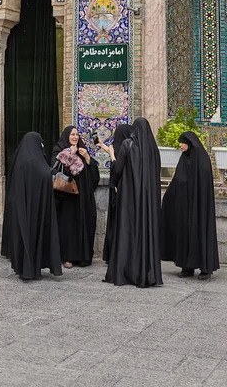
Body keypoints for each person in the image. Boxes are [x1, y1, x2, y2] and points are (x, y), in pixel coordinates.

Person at [101, 117, 163, 287]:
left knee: (127, 232)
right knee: (145, 233)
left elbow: (118, 170)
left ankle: (126, 271)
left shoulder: (128, 145)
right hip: (148, 202)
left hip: (129, 198)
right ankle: (147, 274)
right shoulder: (153, 149)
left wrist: (112, 155)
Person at [2, 132, 62, 281]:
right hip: (34, 208)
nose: (42, 146)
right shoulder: (34, 161)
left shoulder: (20, 160)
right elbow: (44, 176)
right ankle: (31, 269)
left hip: (22, 207)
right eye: (40, 142)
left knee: (25, 237)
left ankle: (26, 268)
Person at [161, 132, 219, 280]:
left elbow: (203, 184)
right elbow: (178, 180)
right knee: (184, 233)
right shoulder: (184, 158)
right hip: (184, 205)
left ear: (190, 143)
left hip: (198, 206)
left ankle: (205, 268)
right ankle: (187, 267)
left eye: (182, 143)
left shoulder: (202, 159)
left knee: (199, 231)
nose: (180, 145)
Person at [51, 126, 100, 268]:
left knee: (83, 225)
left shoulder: (82, 151)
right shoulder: (59, 150)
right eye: (72, 134)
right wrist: (69, 156)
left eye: (77, 135)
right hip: (67, 199)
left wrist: (87, 158)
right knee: (68, 227)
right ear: (66, 136)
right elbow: (56, 170)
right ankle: (68, 257)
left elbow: (93, 177)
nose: (75, 137)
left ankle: (82, 256)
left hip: (82, 199)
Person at [102, 124, 133, 264]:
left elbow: (117, 169)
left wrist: (111, 155)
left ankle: (113, 255)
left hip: (119, 190)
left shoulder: (121, 148)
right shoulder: (129, 147)